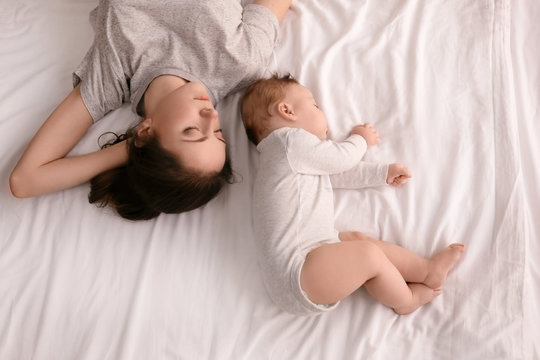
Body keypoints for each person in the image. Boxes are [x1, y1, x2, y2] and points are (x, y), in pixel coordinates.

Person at [9, 0, 292, 220]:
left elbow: (25, 180)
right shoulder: (240, 63)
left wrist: (130, 150)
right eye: (218, 132)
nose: (211, 115)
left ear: (144, 131)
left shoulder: (114, 75)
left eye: (193, 130)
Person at [241, 74, 466, 315]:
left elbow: (334, 171)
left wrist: (381, 173)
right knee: (367, 255)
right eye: (315, 105)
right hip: (299, 274)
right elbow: (340, 158)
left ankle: (427, 271)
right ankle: (405, 300)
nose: (322, 111)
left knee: (359, 241)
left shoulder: (288, 159)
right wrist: (360, 139)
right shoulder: (288, 142)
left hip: (305, 269)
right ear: (287, 111)